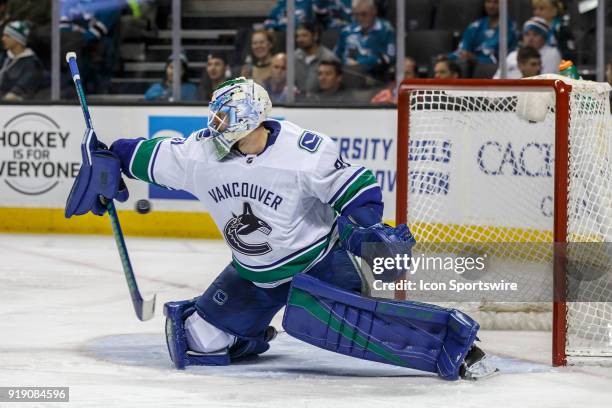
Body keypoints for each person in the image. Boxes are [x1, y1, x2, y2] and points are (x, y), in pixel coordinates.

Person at [67, 77, 496, 381]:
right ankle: (250, 336)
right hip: (253, 275)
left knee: (363, 332)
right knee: (196, 342)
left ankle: (453, 345)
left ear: (254, 120)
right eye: (216, 122)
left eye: (226, 124)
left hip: (320, 266)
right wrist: (106, 159)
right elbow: (144, 154)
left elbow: (359, 188)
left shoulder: (303, 150)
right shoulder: (199, 153)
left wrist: (370, 230)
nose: (215, 131)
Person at [334, 0, 396, 82]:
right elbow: (336, 56)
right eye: (356, 15)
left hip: (375, 78)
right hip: (347, 76)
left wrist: (362, 63)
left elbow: (391, 57)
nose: (360, 18)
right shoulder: (347, 32)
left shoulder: (386, 30)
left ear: (374, 11)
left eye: (364, 14)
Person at [449, 0, 517, 65]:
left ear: (504, 5)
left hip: (495, 72)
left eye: (495, 2)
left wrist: (475, 59)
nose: (491, 6)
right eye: (488, 1)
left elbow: (506, 59)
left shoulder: (511, 30)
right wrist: (446, 57)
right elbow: (462, 51)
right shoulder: (475, 26)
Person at [493, 17, 559, 79]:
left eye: (535, 34)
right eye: (527, 34)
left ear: (544, 38)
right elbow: (496, 79)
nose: (530, 39)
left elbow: (548, 81)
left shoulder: (552, 53)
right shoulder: (512, 55)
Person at [0, 20, 43, 101]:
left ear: (17, 39)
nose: (3, 39)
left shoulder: (32, 64)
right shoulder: (4, 58)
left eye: (7, 36)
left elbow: (20, 90)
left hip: (15, 107)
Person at [295, 22, 338, 94]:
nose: (300, 40)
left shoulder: (329, 58)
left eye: (304, 35)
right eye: (298, 36)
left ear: (315, 36)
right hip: (296, 102)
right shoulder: (294, 56)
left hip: (321, 103)